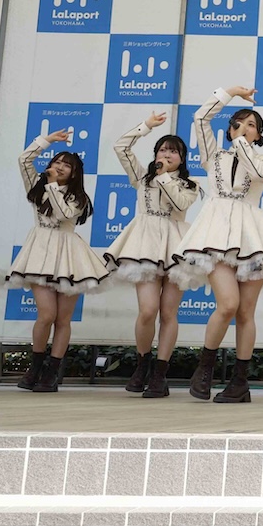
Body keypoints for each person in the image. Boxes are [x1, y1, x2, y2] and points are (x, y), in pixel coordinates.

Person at [171, 86, 263, 403]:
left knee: (245, 312)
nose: (244, 128)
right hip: (216, 235)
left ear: (259, 135)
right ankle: (204, 369)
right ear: (229, 130)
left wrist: (243, 142)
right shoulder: (213, 156)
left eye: (252, 125)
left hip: (252, 237)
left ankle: (240, 382)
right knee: (227, 304)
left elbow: (256, 172)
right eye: (239, 123)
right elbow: (201, 118)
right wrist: (229, 92)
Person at [104, 114, 199, 398]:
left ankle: (160, 374)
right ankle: (142, 364)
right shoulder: (142, 178)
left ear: (182, 159)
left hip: (175, 246)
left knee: (169, 313)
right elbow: (121, 147)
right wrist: (145, 126)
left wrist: (165, 176)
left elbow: (179, 204)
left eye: (173, 151)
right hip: (144, 245)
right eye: (162, 149)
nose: (166, 154)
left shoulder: (189, 185)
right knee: (147, 310)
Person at [8, 131, 109, 392]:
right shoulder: (37, 185)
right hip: (40, 253)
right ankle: (35, 367)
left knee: (63, 319)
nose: (60, 167)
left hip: (69, 256)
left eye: (67, 165)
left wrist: (52, 184)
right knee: (46, 315)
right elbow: (24, 160)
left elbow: (64, 214)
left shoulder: (78, 198)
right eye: (57, 162)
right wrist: (48, 140)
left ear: (74, 174)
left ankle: (52, 373)